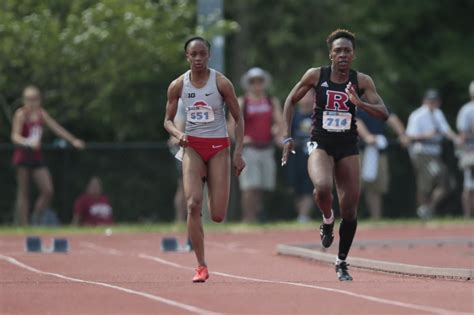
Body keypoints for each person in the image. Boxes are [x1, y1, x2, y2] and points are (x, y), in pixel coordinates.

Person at [281, 29, 388, 281]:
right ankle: (327, 220)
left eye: (347, 51)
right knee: (322, 187)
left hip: (348, 145)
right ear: (331, 54)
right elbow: (290, 100)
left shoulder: (362, 81)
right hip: (320, 141)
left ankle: (341, 262)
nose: (342, 54)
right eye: (338, 50)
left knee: (350, 209)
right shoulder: (316, 75)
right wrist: (287, 137)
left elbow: (383, 113)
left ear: (353, 55)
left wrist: (360, 104)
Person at [163, 36, 245, 283]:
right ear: (187, 57)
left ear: (209, 56)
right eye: (193, 54)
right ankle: (201, 265)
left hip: (219, 148)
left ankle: (213, 192)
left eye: (202, 54)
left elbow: (238, 119)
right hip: (193, 149)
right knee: (192, 205)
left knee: (217, 214)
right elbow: (166, 121)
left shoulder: (221, 83)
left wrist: (238, 152)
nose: (198, 58)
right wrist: (179, 134)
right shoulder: (178, 85)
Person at [10, 85, 85, 225]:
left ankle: (36, 217)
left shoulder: (40, 113)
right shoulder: (20, 114)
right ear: (24, 100)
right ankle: (24, 226)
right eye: (29, 99)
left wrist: (73, 140)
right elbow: (15, 136)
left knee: (48, 190)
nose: (32, 102)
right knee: (24, 192)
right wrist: (27, 142)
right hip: (23, 155)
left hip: (37, 157)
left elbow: (56, 128)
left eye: (34, 99)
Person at [230, 67, 283, 222]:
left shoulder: (271, 101)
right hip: (249, 149)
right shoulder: (242, 102)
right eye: (253, 81)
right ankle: (248, 218)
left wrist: (278, 132)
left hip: (267, 147)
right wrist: (240, 139)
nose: (257, 84)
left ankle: (258, 216)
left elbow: (280, 122)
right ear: (249, 83)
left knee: (264, 186)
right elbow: (231, 125)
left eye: (260, 81)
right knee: (249, 186)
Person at [406, 89, 459, 219]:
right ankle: (423, 210)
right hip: (422, 153)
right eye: (430, 100)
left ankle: (427, 209)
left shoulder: (438, 114)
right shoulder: (417, 115)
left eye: (435, 101)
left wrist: (457, 139)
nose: (433, 103)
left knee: (445, 182)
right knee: (426, 182)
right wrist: (427, 136)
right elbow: (409, 137)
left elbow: (446, 130)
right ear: (424, 101)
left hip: (435, 154)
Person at [356, 109, 410, 219]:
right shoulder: (354, 102)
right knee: (355, 186)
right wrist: (366, 136)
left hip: (377, 151)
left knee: (376, 187)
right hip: (358, 151)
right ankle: (349, 218)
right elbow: (354, 119)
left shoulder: (378, 103)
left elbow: (391, 118)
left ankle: (376, 218)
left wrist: (403, 135)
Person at [286, 89, 315, 223]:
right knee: (296, 189)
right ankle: (301, 215)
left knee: (309, 186)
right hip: (295, 158)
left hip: (313, 157)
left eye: (309, 95)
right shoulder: (293, 116)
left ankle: (303, 216)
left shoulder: (318, 116)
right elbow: (285, 136)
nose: (306, 98)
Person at [456, 81, 474, 218]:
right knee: (469, 185)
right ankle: (467, 215)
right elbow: (462, 135)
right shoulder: (467, 110)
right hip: (470, 150)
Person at [168, 100, 187, 222]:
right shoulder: (183, 101)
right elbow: (179, 123)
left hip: (202, 146)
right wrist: (179, 137)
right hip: (185, 148)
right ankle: (180, 219)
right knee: (183, 185)